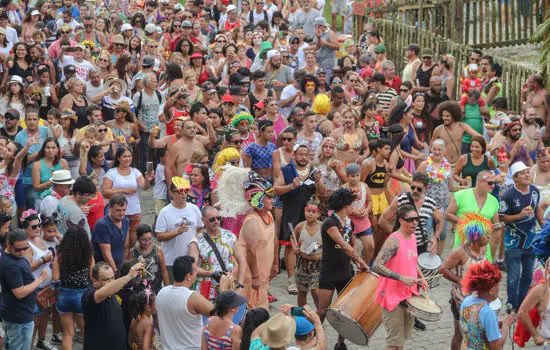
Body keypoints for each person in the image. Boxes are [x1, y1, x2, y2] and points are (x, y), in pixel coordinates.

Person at [217, 166, 276, 310]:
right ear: (259, 199)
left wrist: (275, 263)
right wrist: (255, 276)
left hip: (263, 273)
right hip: (250, 275)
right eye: (269, 197)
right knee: (249, 310)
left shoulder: (268, 215)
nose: (273, 200)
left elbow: (272, 240)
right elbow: (250, 251)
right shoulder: (252, 221)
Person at [317, 188, 368, 349]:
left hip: (345, 271)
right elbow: (344, 245)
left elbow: (352, 243)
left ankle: (340, 343)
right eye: (352, 204)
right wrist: (361, 261)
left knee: (344, 311)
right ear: (345, 205)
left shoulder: (349, 222)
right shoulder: (330, 223)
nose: (354, 206)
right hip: (329, 271)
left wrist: (355, 258)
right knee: (322, 310)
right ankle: (314, 339)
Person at [374, 204, 428, 350]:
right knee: (393, 343)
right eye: (410, 220)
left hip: (409, 296)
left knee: (401, 341)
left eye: (416, 219)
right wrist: (401, 278)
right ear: (401, 221)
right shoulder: (394, 240)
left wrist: (421, 277)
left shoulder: (413, 237)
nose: (415, 222)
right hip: (392, 296)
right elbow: (377, 265)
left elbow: (412, 260)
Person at [439, 213, 491, 350]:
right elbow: (443, 269)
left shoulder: (483, 249)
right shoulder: (460, 252)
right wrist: (461, 280)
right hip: (460, 299)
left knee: (477, 332)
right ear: (476, 237)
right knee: (460, 333)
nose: (489, 237)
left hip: (478, 297)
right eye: (486, 234)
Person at [500, 161, 544, 309]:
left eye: (527, 172)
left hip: (531, 240)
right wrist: (519, 216)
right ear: (515, 178)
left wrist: (544, 227)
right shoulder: (508, 195)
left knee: (528, 275)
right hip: (513, 243)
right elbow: (502, 218)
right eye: (523, 173)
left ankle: (522, 303)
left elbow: (537, 209)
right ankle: (511, 303)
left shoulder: (534, 191)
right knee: (513, 277)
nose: (527, 175)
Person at [0, 229, 50, 350]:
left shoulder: (16, 259)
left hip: (20, 314)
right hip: (19, 318)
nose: (21, 252)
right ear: (8, 244)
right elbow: (19, 292)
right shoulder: (11, 265)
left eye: (25, 248)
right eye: (18, 249)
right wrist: (41, 279)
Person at [156, 256, 218, 350]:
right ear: (188, 276)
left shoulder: (161, 293)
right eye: (195, 271)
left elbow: (158, 321)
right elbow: (219, 313)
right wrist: (225, 289)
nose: (196, 273)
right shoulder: (192, 297)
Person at [188, 206, 246, 301]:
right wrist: (211, 274)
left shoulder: (230, 236)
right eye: (212, 219)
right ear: (203, 220)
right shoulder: (196, 242)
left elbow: (242, 261)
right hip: (206, 292)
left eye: (218, 218)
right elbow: (192, 267)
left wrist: (239, 285)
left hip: (228, 289)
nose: (216, 221)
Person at [81, 261, 143, 350]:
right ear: (95, 281)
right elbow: (102, 293)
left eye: (112, 278)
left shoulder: (113, 295)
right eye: (106, 279)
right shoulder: (90, 295)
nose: (111, 282)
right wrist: (129, 276)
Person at [51, 225, 94, 350]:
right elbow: (93, 275)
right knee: (85, 332)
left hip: (64, 294)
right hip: (83, 295)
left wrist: (55, 294)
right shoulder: (88, 254)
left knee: (67, 333)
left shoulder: (60, 254)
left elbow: (55, 278)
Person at [379, 172, 443, 256]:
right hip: (402, 245)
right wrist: (396, 236)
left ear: (426, 189)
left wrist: (435, 237)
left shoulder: (430, 203)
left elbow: (440, 221)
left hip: (421, 245)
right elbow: (382, 221)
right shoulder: (401, 199)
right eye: (412, 187)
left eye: (419, 189)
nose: (415, 191)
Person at [103, 146, 154, 248]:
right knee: (122, 243)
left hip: (135, 211)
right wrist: (123, 190)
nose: (127, 159)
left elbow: (144, 187)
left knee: (132, 243)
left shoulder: (135, 171)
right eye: (124, 156)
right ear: (118, 158)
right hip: (119, 212)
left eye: (129, 156)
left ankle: (128, 262)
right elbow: (105, 191)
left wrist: (148, 180)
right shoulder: (111, 173)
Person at [445, 170, 502, 261]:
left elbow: (496, 225)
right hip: (463, 244)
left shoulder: (493, 200)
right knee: (461, 273)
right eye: (490, 183)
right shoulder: (461, 195)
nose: (493, 186)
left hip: (483, 247)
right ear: (480, 181)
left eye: (494, 183)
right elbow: (448, 214)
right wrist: (467, 223)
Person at [156, 177, 204, 283]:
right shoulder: (165, 212)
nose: (183, 194)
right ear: (172, 193)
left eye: (186, 190)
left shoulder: (194, 209)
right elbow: (159, 236)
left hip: (191, 261)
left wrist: (195, 243)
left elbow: (201, 229)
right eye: (180, 191)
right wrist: (177, 232)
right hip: (172, 261)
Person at [459, 261, 516, 349]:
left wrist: (495, 324)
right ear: (491, 289)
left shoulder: (466, 301)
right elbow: (497, 347)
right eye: (498, 286)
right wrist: (505, 326)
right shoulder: (488, 312)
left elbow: (473, 326)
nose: (499, 289)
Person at [290, 198, 323, 308]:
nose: (310, 214)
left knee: (316, 293)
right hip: (302, 264)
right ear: (304, 212)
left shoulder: (322, 226)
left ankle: (319, 316)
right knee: (302, 292)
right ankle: (301, 315)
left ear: (318, 214)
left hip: (318, 265)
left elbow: (330, 241)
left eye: (313, 212)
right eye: (308, 211)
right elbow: (293, 238)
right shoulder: (300, 226)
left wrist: (321, 244)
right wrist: (295, 247)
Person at [431, 101, 482, 166]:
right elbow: (431, 148)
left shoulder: (462, 127)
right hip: (443, 164)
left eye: (447, 116)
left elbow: (479, 137)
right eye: (443, 116)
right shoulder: (438, 130)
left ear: (454, 116)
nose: (444, 118)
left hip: (458, 164)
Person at [92, 194, 130, 274]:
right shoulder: (103, 225)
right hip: (104, 269)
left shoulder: (125, 221)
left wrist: (122, 269)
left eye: (124, 210)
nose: (121, 213)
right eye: (118, 210)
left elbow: (126, 247)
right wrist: (115, 272)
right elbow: (106, 255)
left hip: (119, 264)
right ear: (110, 208)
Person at [130, 224, 170, 295]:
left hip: (156, 290)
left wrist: (168, 289)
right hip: (139, 292)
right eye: (143, 240)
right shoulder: (133, 253)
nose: (147, 242)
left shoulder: (158, 250)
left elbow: (164, 270)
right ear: (138, 239)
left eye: (149, 239)